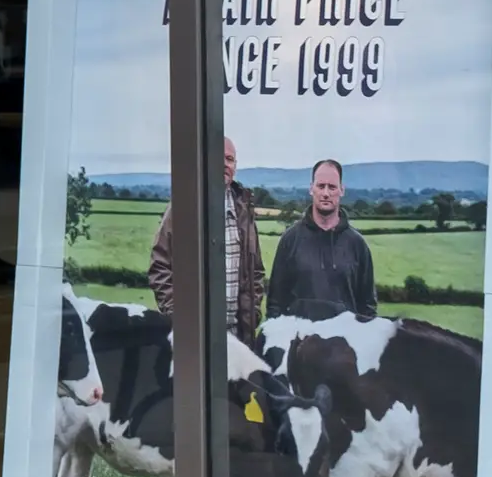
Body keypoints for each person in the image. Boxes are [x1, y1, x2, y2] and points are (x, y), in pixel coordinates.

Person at [149, 133, 265, 347]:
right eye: (218, 157)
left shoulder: (244, 212)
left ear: (235, 166)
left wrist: (253, 315)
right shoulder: (183, 206)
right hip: (194, 339)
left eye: (230, 159)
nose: (224, 164)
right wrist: (179, 317)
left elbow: (256, 272)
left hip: (237, 338)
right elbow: (160, 267)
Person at [269, 156, 382, 323]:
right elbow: (275, 304)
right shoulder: (290, 240)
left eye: (332, 187)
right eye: (321, 186)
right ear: (311, 189)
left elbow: (368, 307)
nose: (326, 193)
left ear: (342, 190)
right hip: (300, 344)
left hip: (343, 345)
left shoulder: (358, 245)